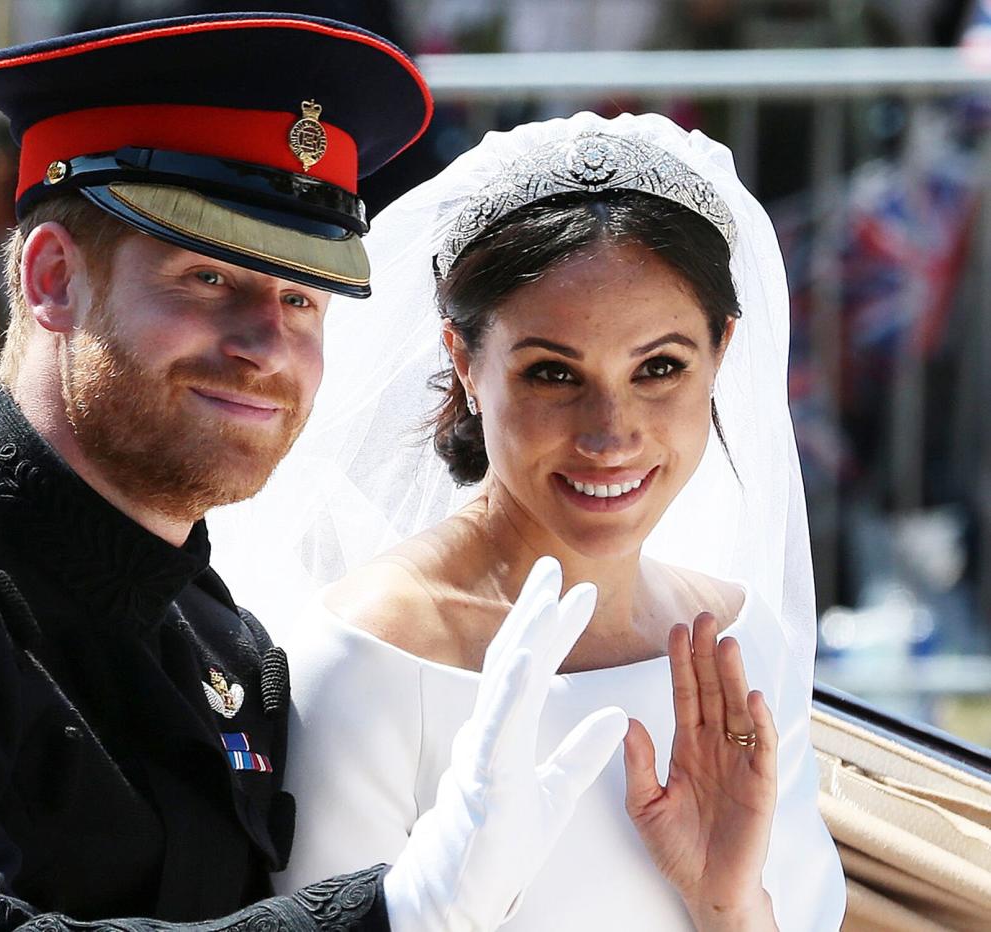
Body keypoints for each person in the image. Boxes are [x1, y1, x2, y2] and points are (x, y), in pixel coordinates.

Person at [0, 15, 632, 932]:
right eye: (210, 279)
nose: (266, 345)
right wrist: (389, 916)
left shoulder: (224, 644)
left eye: (302, 298)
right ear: (53, 279)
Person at [209, 112, 848, 928]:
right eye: (553, 372)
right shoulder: (371, 657)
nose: (610, 433)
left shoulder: (736, 643)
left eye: (659, 367)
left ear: (721, 352)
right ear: (465, 361)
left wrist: (727, 905)